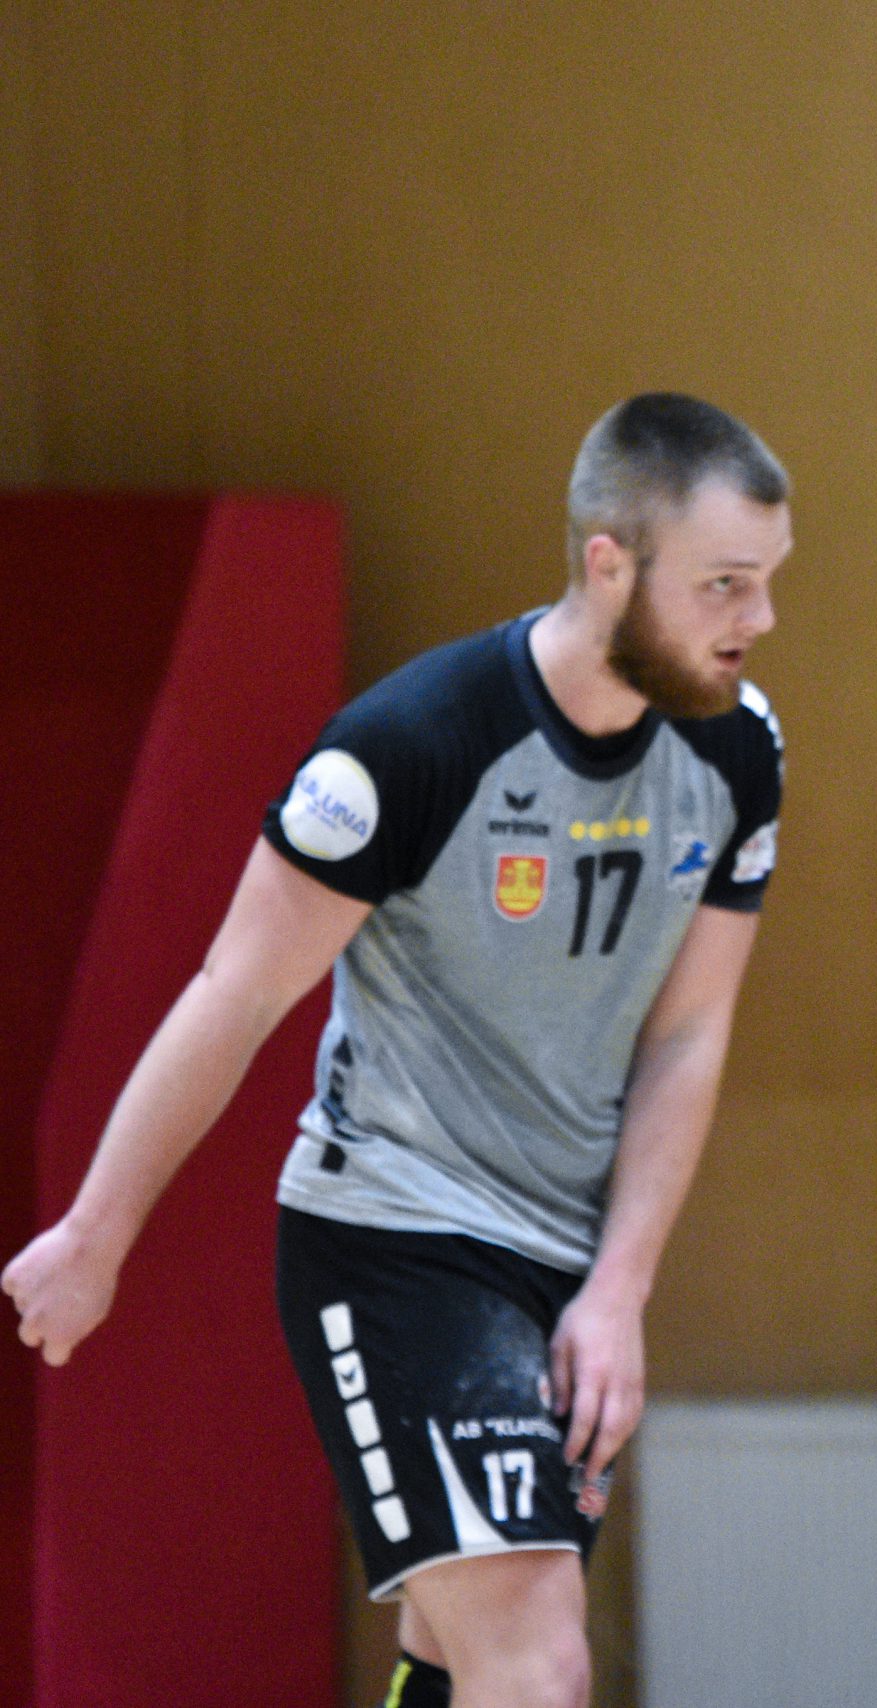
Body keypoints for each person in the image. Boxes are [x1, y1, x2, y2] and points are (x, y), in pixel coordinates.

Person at [4, 393, 792, 1708]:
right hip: (398, 1239)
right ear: (609, 563)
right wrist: (95, 1234)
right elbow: (234, 992)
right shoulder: (411, 747)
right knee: (537, 1661)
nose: (756, 618)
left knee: (457, 1659)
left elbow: (689, 1031)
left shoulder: (736, 747)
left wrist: (618, 1288)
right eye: (723, 584)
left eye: (766, 581)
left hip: (562, 1259)